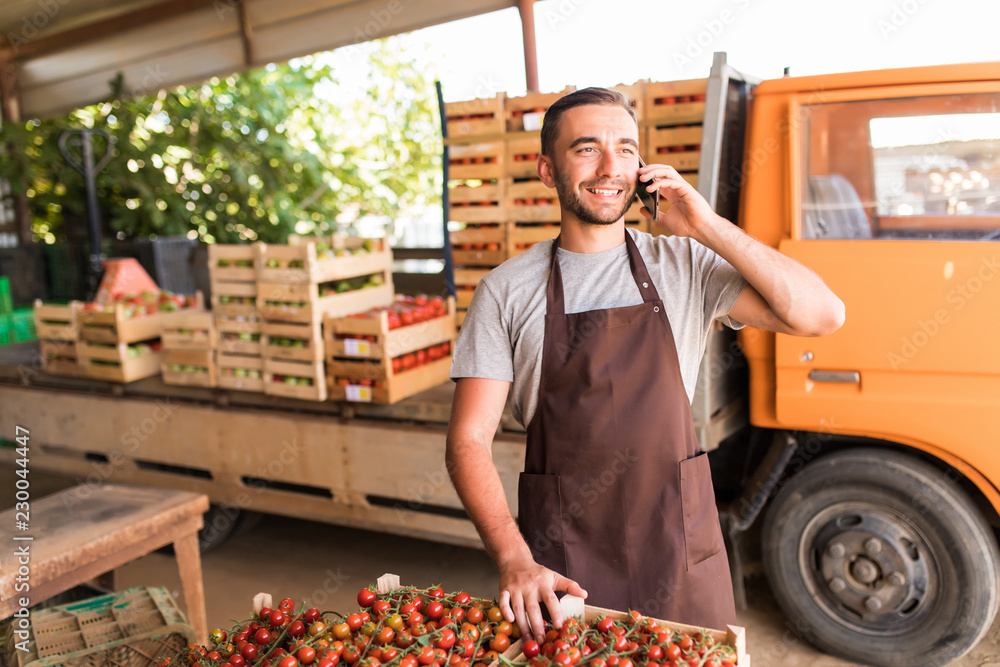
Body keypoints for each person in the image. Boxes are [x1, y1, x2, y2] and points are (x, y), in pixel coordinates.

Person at [445, 87, 845, 640]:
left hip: (678, 548)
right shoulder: (507, 291)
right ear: (546, 169)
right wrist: (514, 557)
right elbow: (467, 439)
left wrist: (705, 224)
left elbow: (822, 315)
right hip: (564, 563)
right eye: (587, 149)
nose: (611, 167)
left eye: (626, 150)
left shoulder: (683, 264)